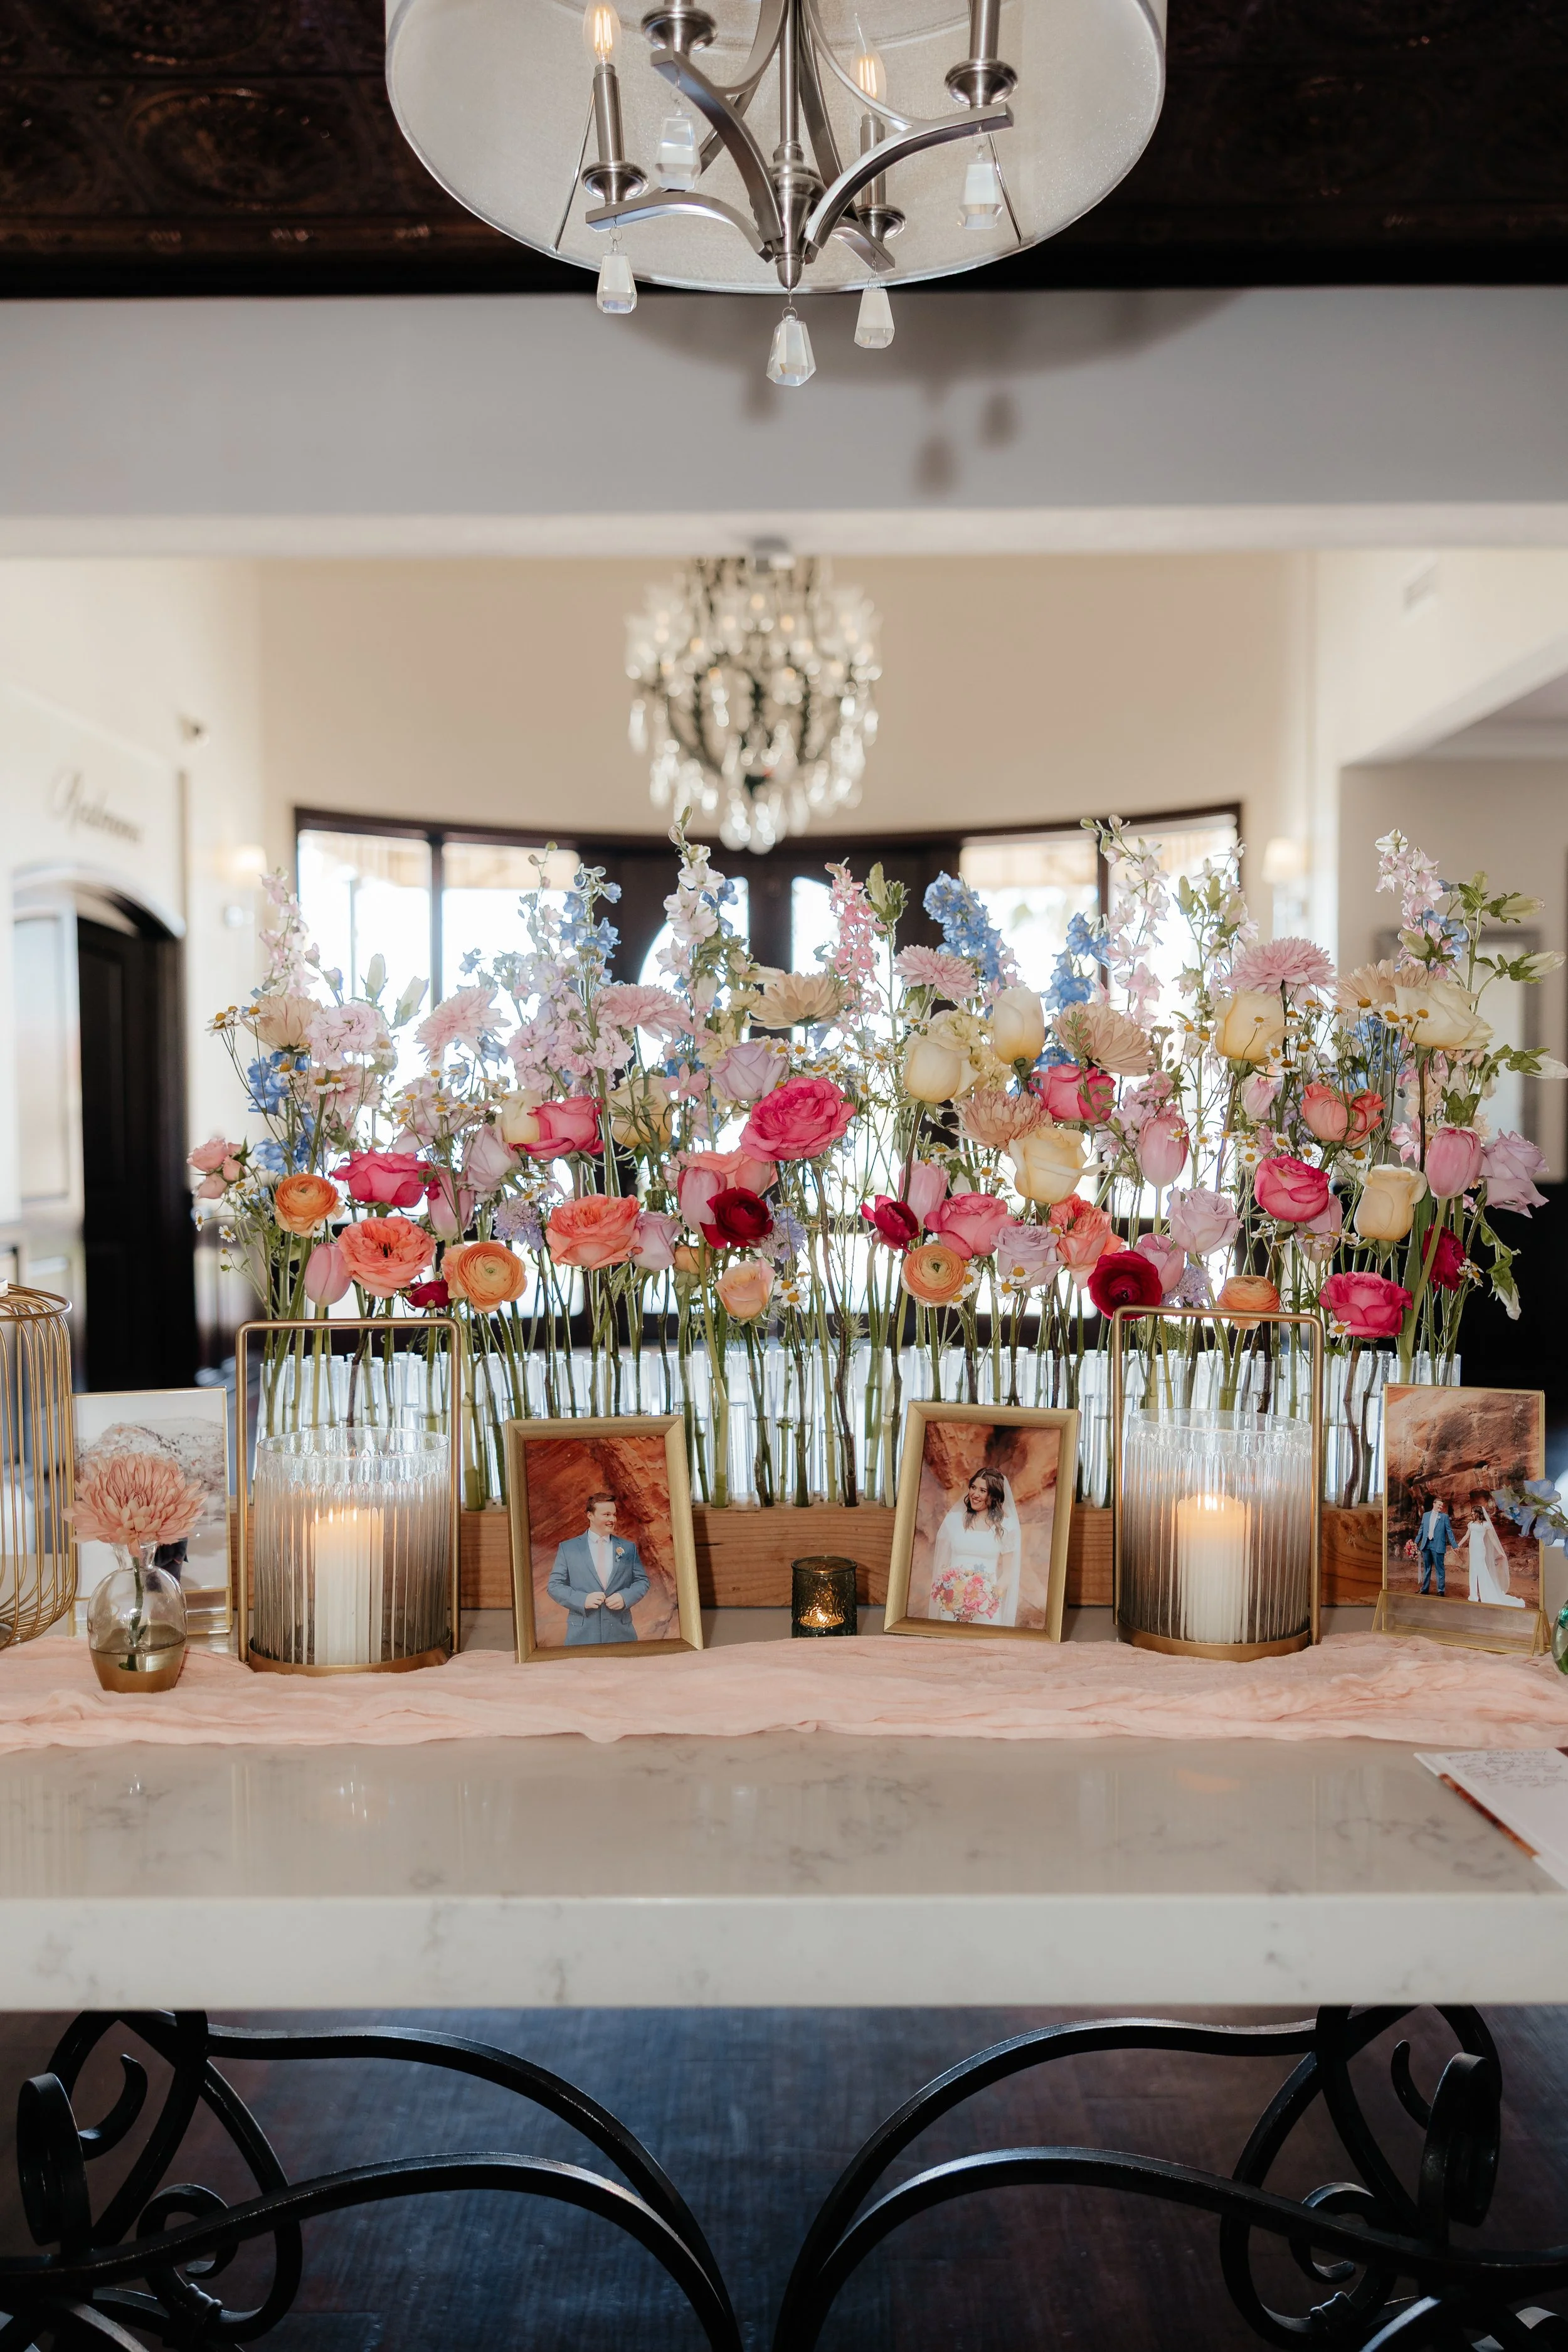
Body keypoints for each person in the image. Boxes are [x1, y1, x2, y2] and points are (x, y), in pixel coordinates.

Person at [546, 1492, 650, 1646]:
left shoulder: (628, 1548)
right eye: (606, 1514)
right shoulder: (568, 1548)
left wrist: (624, 1597)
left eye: (614, 1515)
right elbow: (554, 1586)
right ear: (590, 1515)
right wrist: (583, 1600)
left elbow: (642, 1581)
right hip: (582, 1634)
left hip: (621, 1633)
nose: (612, 1520)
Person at [928, 1467, 1022, 1625]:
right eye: (973, 1487)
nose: (975, 1494)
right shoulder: (954, 1520)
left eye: (983, 1490)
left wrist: (985, 1600)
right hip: (953, 1605)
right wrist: (951, 1597)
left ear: (993, 1495)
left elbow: (1008, 1574)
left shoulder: (1006, 1526)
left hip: (986, 1608)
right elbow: (942, 1567)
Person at [1466, 1495, 1525, 1609]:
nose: (1472, 1514)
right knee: (1473, 1571)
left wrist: (1500, 1552)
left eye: (1473, 1512)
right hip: (1472, 1549)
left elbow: (1492, 1539)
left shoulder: (1486, 1525)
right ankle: (1473, 1596)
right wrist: (1457, 1545)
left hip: (1480, 1550)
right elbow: (1466, 1536)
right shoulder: (1471, 1524)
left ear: (1478, 1513)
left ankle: (1486, 1594)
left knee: (1482, 1571)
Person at [1415, 1495, 1456, 1596]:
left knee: (1440, 1569)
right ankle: (1425, 1589)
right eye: (1439, 1505)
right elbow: (1421, 1530)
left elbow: (1449, 1532)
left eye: (1442, 1506)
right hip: (1426, 1545)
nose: (1441, 1507)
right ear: (1434, 1504)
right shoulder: (1426, 1515)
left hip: (1438, 1545)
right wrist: (1416, 1542)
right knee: (1427, 1568)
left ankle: (1440, 1591)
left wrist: (1455, 1545)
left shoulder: (1444, 1517)